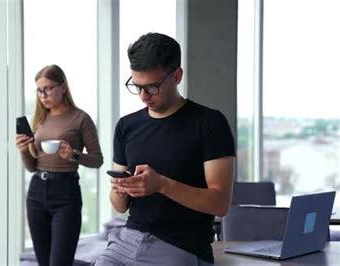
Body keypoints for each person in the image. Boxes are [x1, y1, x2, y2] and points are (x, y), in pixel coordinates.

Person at [95, 33, 235, 265]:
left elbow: (220, 204)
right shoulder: (126, 126)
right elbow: (120, 206)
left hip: (181, 246)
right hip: (126, 241)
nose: (143, 96)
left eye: (151, 87)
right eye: (136, 86)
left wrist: (161, 185)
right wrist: (120, 190)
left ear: (177, 76)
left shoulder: (209, 123)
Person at [16, 64, 103, 266]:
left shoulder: (81, 118)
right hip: (36, 192)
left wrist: (73, 154)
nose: (43, 95)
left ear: (63, 87)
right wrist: (22, 150)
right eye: (39, 90)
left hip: (66, 194)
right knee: (43, 263)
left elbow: (97, 160)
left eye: (48, 88)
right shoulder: (38, 119)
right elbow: (32, 166)